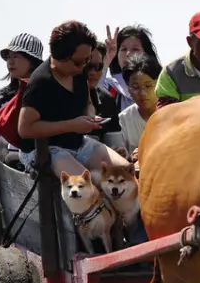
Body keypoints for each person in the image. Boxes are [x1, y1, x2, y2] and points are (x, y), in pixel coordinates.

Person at [16, 20, 129, 184]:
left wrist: (90, 117)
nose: (84, 67)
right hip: (45, 149)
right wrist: (71, 125)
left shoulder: (80, 70)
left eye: (87, 61)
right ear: (60, 57)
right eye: (79, 62)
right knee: (85, 190)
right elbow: (25, 129)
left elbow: (88, 102)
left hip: (77, 143)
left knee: (125, 176)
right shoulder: (41, 83)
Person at [100, 24, 163, 113]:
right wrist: (106, 60)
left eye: (135, 49)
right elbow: (94, 95)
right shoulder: (111, 86)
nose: (128, 54)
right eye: (123, 49)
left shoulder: (160, 85)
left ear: (146, 54)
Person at [118, 53, 161, 156]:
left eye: (148, 85)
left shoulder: (172, 113)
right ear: (128, 88)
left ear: (159, 83)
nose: (142, 93)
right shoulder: (123, 120)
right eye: (136, 87)